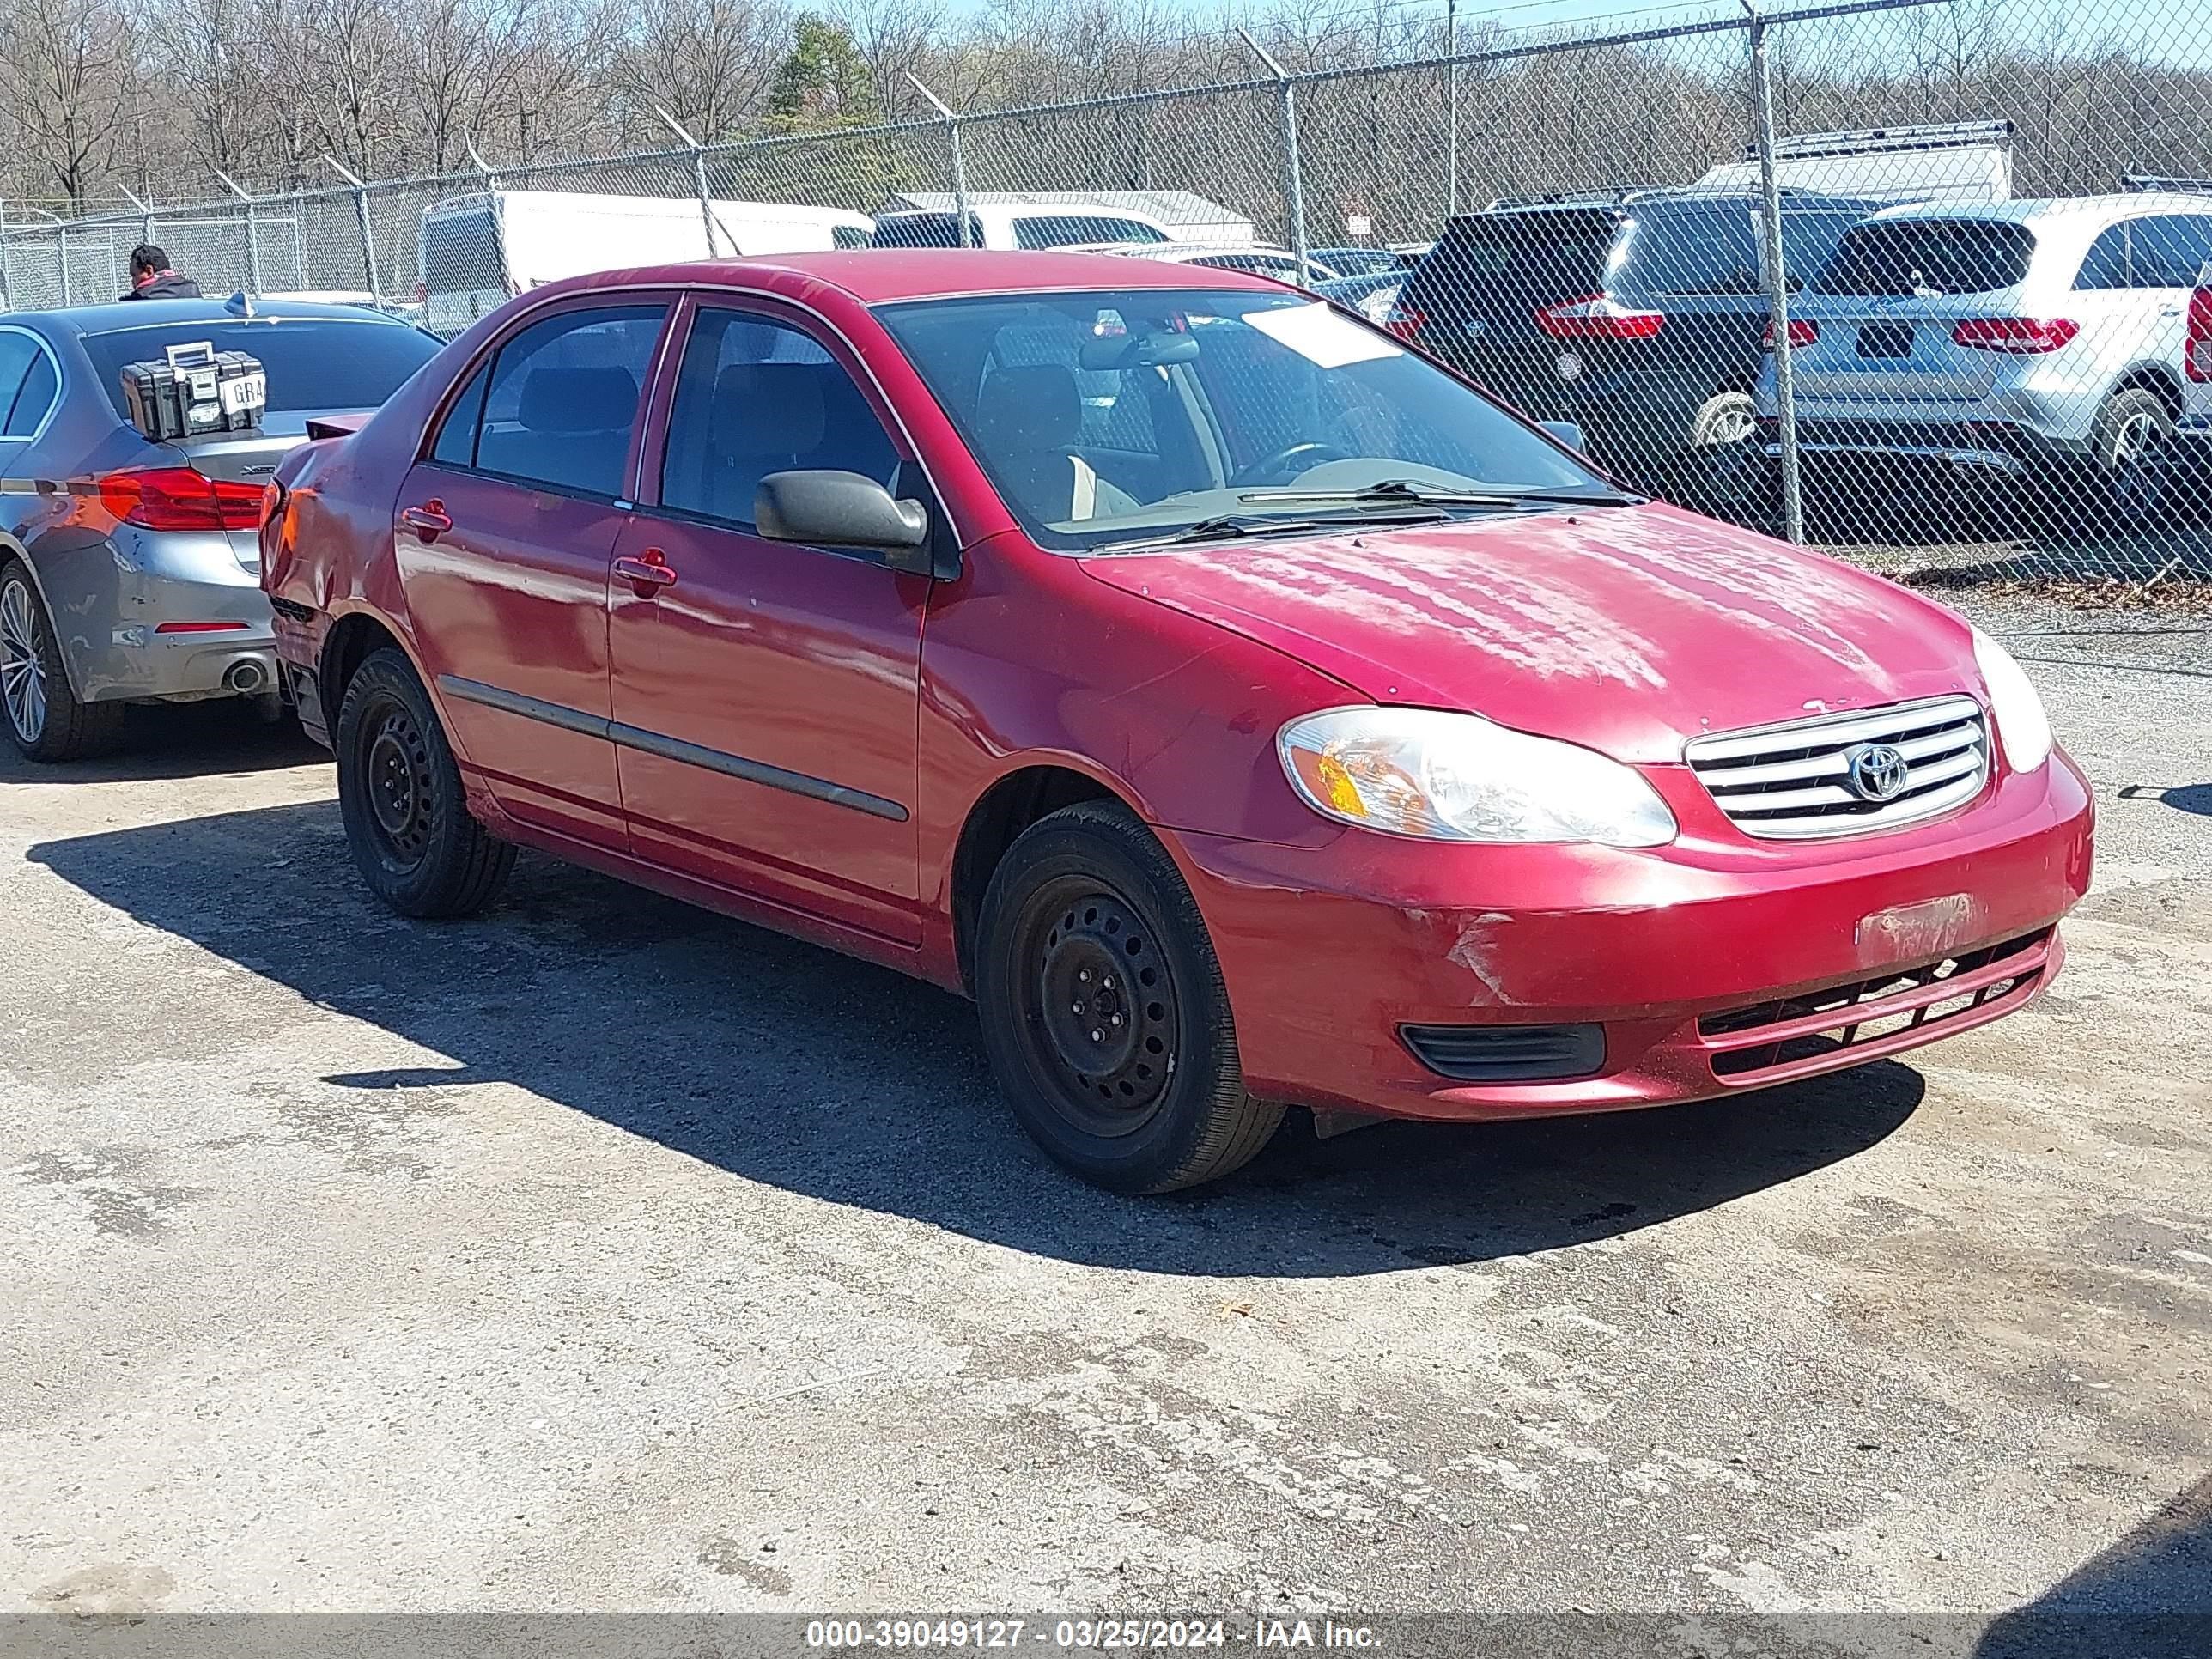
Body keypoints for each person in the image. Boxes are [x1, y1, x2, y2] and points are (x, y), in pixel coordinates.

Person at [118, 245, 203, 301]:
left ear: (149, 271)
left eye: (134, 275)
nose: (132, 282)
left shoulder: (138, 300)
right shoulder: (192, 290)